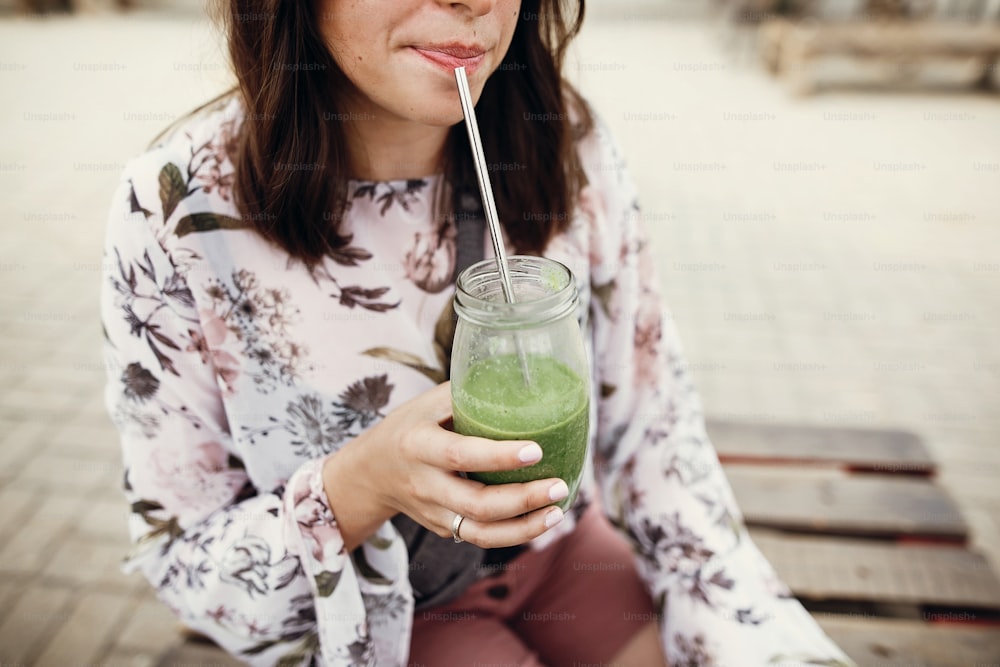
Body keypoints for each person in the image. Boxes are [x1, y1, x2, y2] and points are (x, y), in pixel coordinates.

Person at [100, 1, 855, 665]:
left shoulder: (564, 143)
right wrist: (361, 482)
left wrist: (754, 634)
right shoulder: (177, 209)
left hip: (564, 557)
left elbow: (658, 430)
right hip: (386, 609)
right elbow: (184, 559)